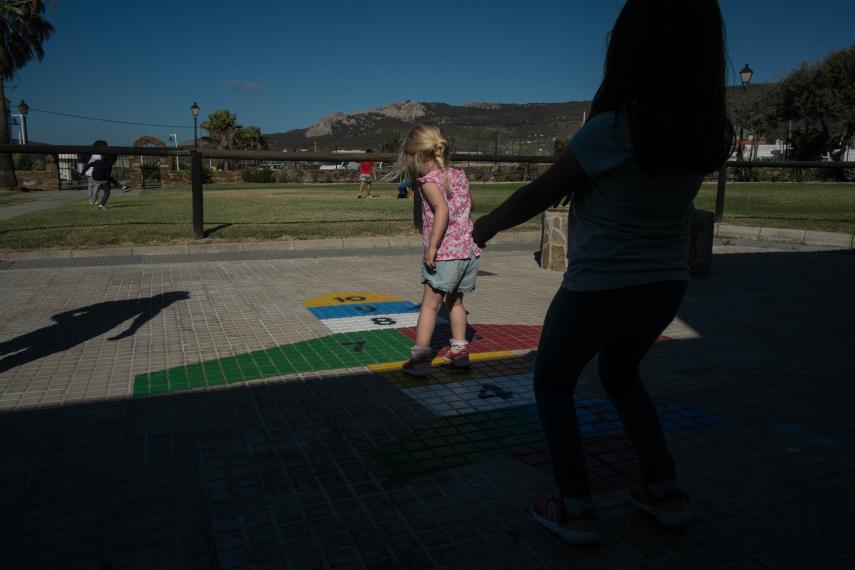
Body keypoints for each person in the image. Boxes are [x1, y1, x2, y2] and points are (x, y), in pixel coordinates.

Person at [472, 0, 734, 545]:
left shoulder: (613, 130)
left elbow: (542, 193)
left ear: (628, 51)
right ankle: (663, 490)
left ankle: (574, 505)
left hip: (598, 286)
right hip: (664, 284)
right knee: (621, 376)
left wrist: (485, 227)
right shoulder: (709, 132)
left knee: (552, 381)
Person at [396, 123, 481, 376]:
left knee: (430, 306)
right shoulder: (458, 175)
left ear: (420, 156)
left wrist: (432, 247)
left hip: (444, 254)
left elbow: (441, 210)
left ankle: (420, 359)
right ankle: (459, 352)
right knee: (456, 303)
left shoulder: (428, 182)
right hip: (466, 253)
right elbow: (469, 204)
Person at [80, 140, 107, 205]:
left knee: (90, 187)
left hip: (89, 172)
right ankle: (94, 200)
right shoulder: (99, 155)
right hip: (95, 173)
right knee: (96, 187)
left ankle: (90, 200)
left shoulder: (93, 154)